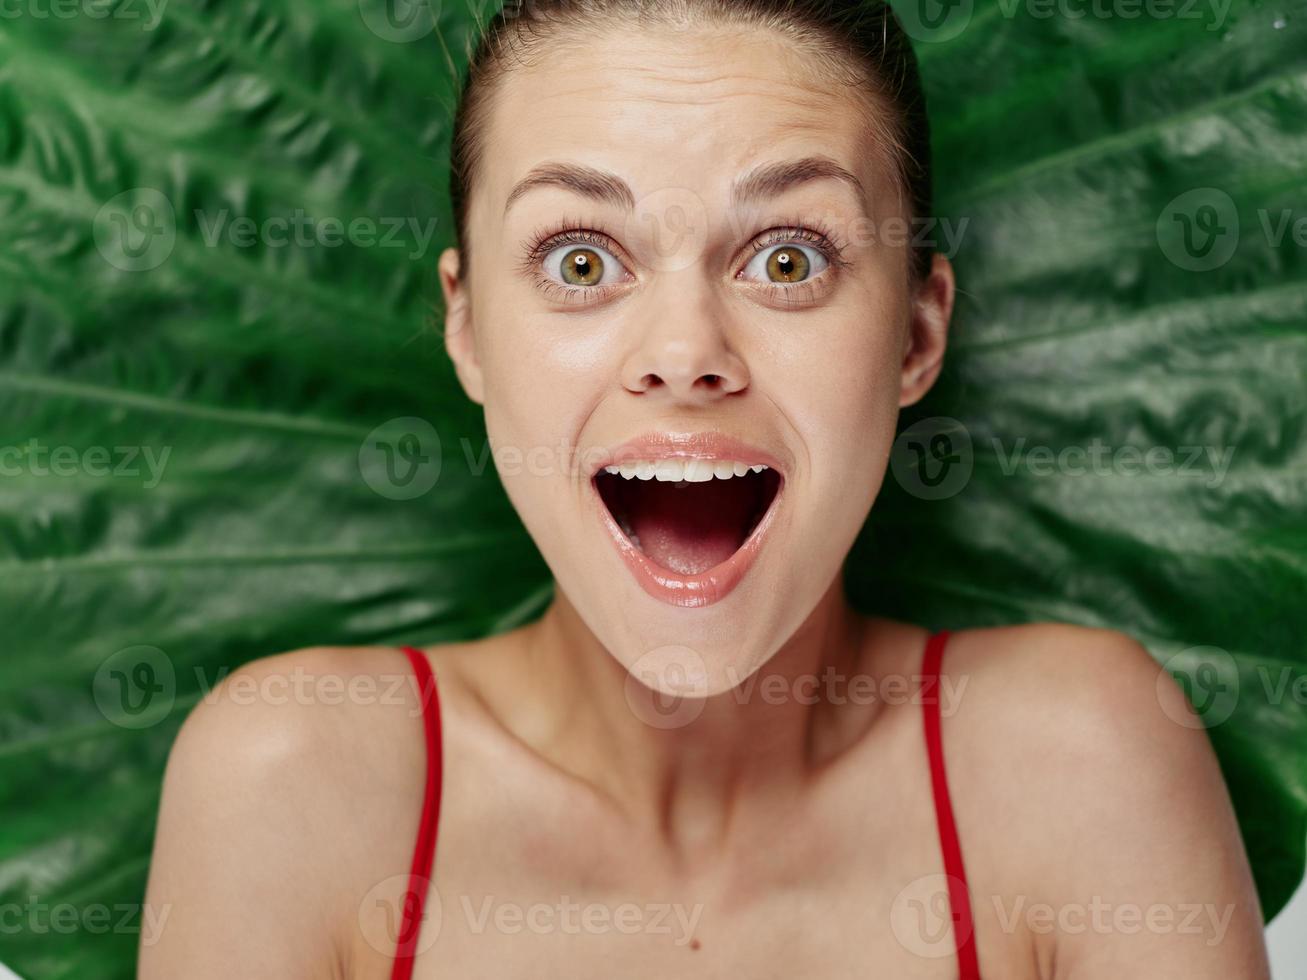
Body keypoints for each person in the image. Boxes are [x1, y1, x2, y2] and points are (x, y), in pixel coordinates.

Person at [138, 2, 1271, 977]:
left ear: (918, 330)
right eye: (580, 259)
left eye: (788, 258)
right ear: (468, 325)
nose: (683, 352)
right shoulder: (291, 782)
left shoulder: (1079, 759)